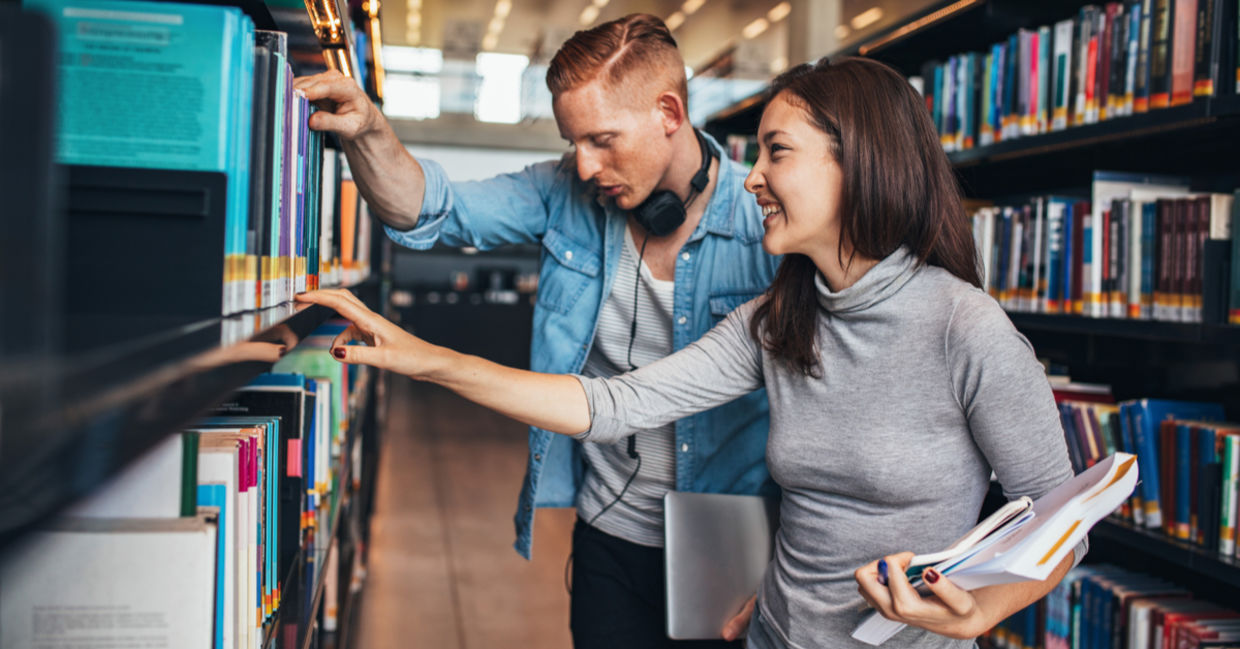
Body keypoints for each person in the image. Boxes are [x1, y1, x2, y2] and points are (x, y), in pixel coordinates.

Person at [300, 56, 1086, 648]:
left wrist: (978, 610)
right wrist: (422, 356)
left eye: (778, 152)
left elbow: (1062, 523)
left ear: (859, 160)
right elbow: (612, 403)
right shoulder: (779, 320)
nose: (755, 180)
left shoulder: (966, 330)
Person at [295, 14, 779, 648]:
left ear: (669, 110)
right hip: (607, 533)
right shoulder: (562, 193)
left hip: (733, 545)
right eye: (573, 142)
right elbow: (428, 209)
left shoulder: (766, 228)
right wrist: (370, 133)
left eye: (602, 139)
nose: (583, 166)